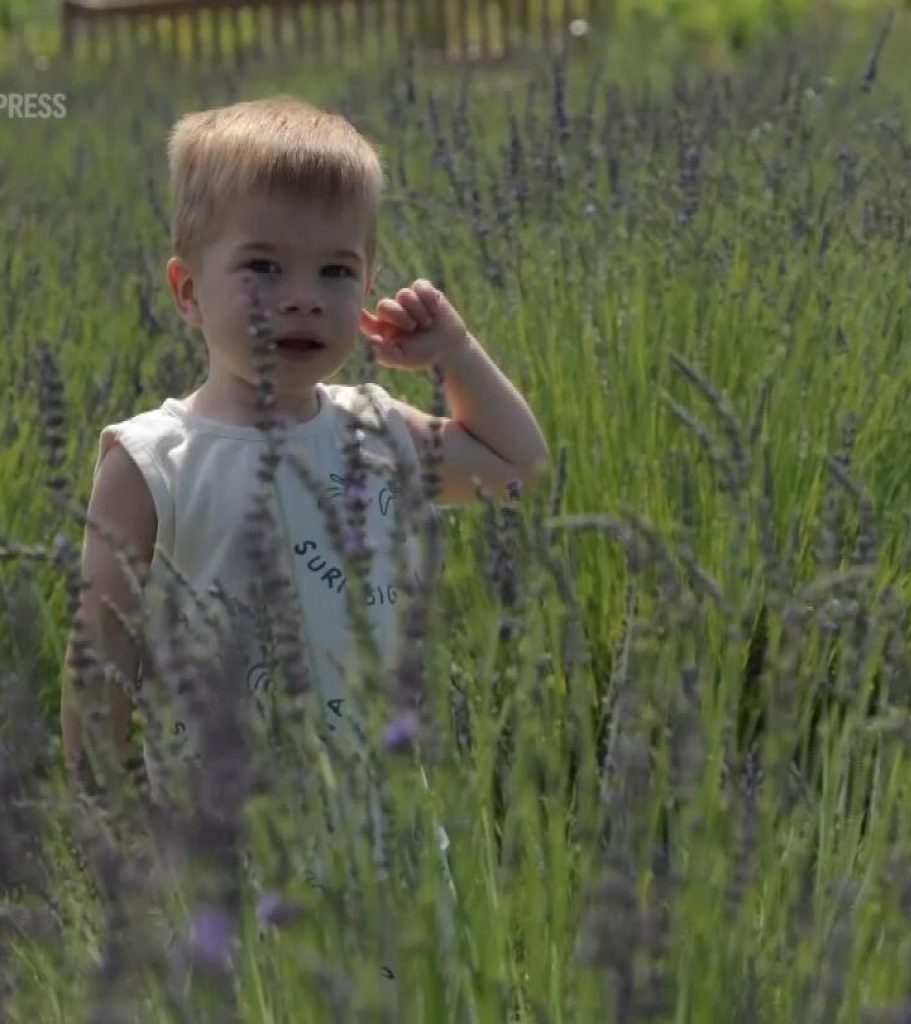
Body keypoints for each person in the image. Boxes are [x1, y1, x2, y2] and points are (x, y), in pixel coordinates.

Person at [59, 94, 551, 807]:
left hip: (382, 837)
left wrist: (457, 354)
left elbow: (518, 470)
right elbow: (101, 667)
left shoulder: (379, 433)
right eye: (262, 267)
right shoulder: (152, 464)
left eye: (335, 273)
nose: (302, 298)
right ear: (189, 291)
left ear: (369, 288)